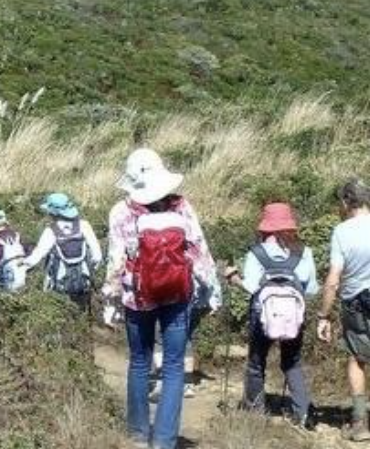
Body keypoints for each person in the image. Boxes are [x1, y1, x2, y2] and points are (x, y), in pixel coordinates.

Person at [103, 148, 220, 449]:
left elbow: (116, 262)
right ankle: (165, 441)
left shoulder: (121, 211)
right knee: (173, 366)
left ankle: (138, 435)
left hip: (137, 297)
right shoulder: (181, 207)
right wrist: (212, 291)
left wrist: (110, 301)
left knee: (139, 363)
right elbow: (199, 251)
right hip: (177, 295)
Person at [224, 202, 318, 428]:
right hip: (294, 317)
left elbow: (251, 287)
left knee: (257, 363)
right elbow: (312, 289)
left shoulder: (256, 253)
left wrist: (233, 278)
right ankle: (302, 413)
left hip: (262, 315)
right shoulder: (304, 253)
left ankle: (256, 411)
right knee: (292, 363)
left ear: (265, 228)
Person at [316, 179, 370, 441]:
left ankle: (360, 423)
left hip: (356, 301)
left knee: (357, 359)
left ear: (346, 201)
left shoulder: (342, 231)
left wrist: (323, 315)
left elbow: (333, 278)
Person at [19, 193, 102, 309]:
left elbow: (38, 255)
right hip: (84, 281)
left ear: (52, 212)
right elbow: (97, 255)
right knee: (83, 309)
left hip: (60, 283)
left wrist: (23, 264)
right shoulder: (84, 225)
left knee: (61, 310)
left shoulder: (51, 231)